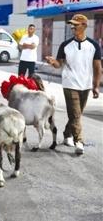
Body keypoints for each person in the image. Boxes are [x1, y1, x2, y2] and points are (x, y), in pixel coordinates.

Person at [46, 14, 101, 155]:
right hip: (69, 84)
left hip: (86, 85)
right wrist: (53, 63)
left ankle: (66, 134)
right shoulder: (65, 45)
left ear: (84, 26)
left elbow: (97, 68)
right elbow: (59, 64)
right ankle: (79, 141)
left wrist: (95, 86)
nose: (72, 27)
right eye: (71, 25)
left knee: (76, 114)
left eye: (75, 24)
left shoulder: (94, 46)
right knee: (76, 115)